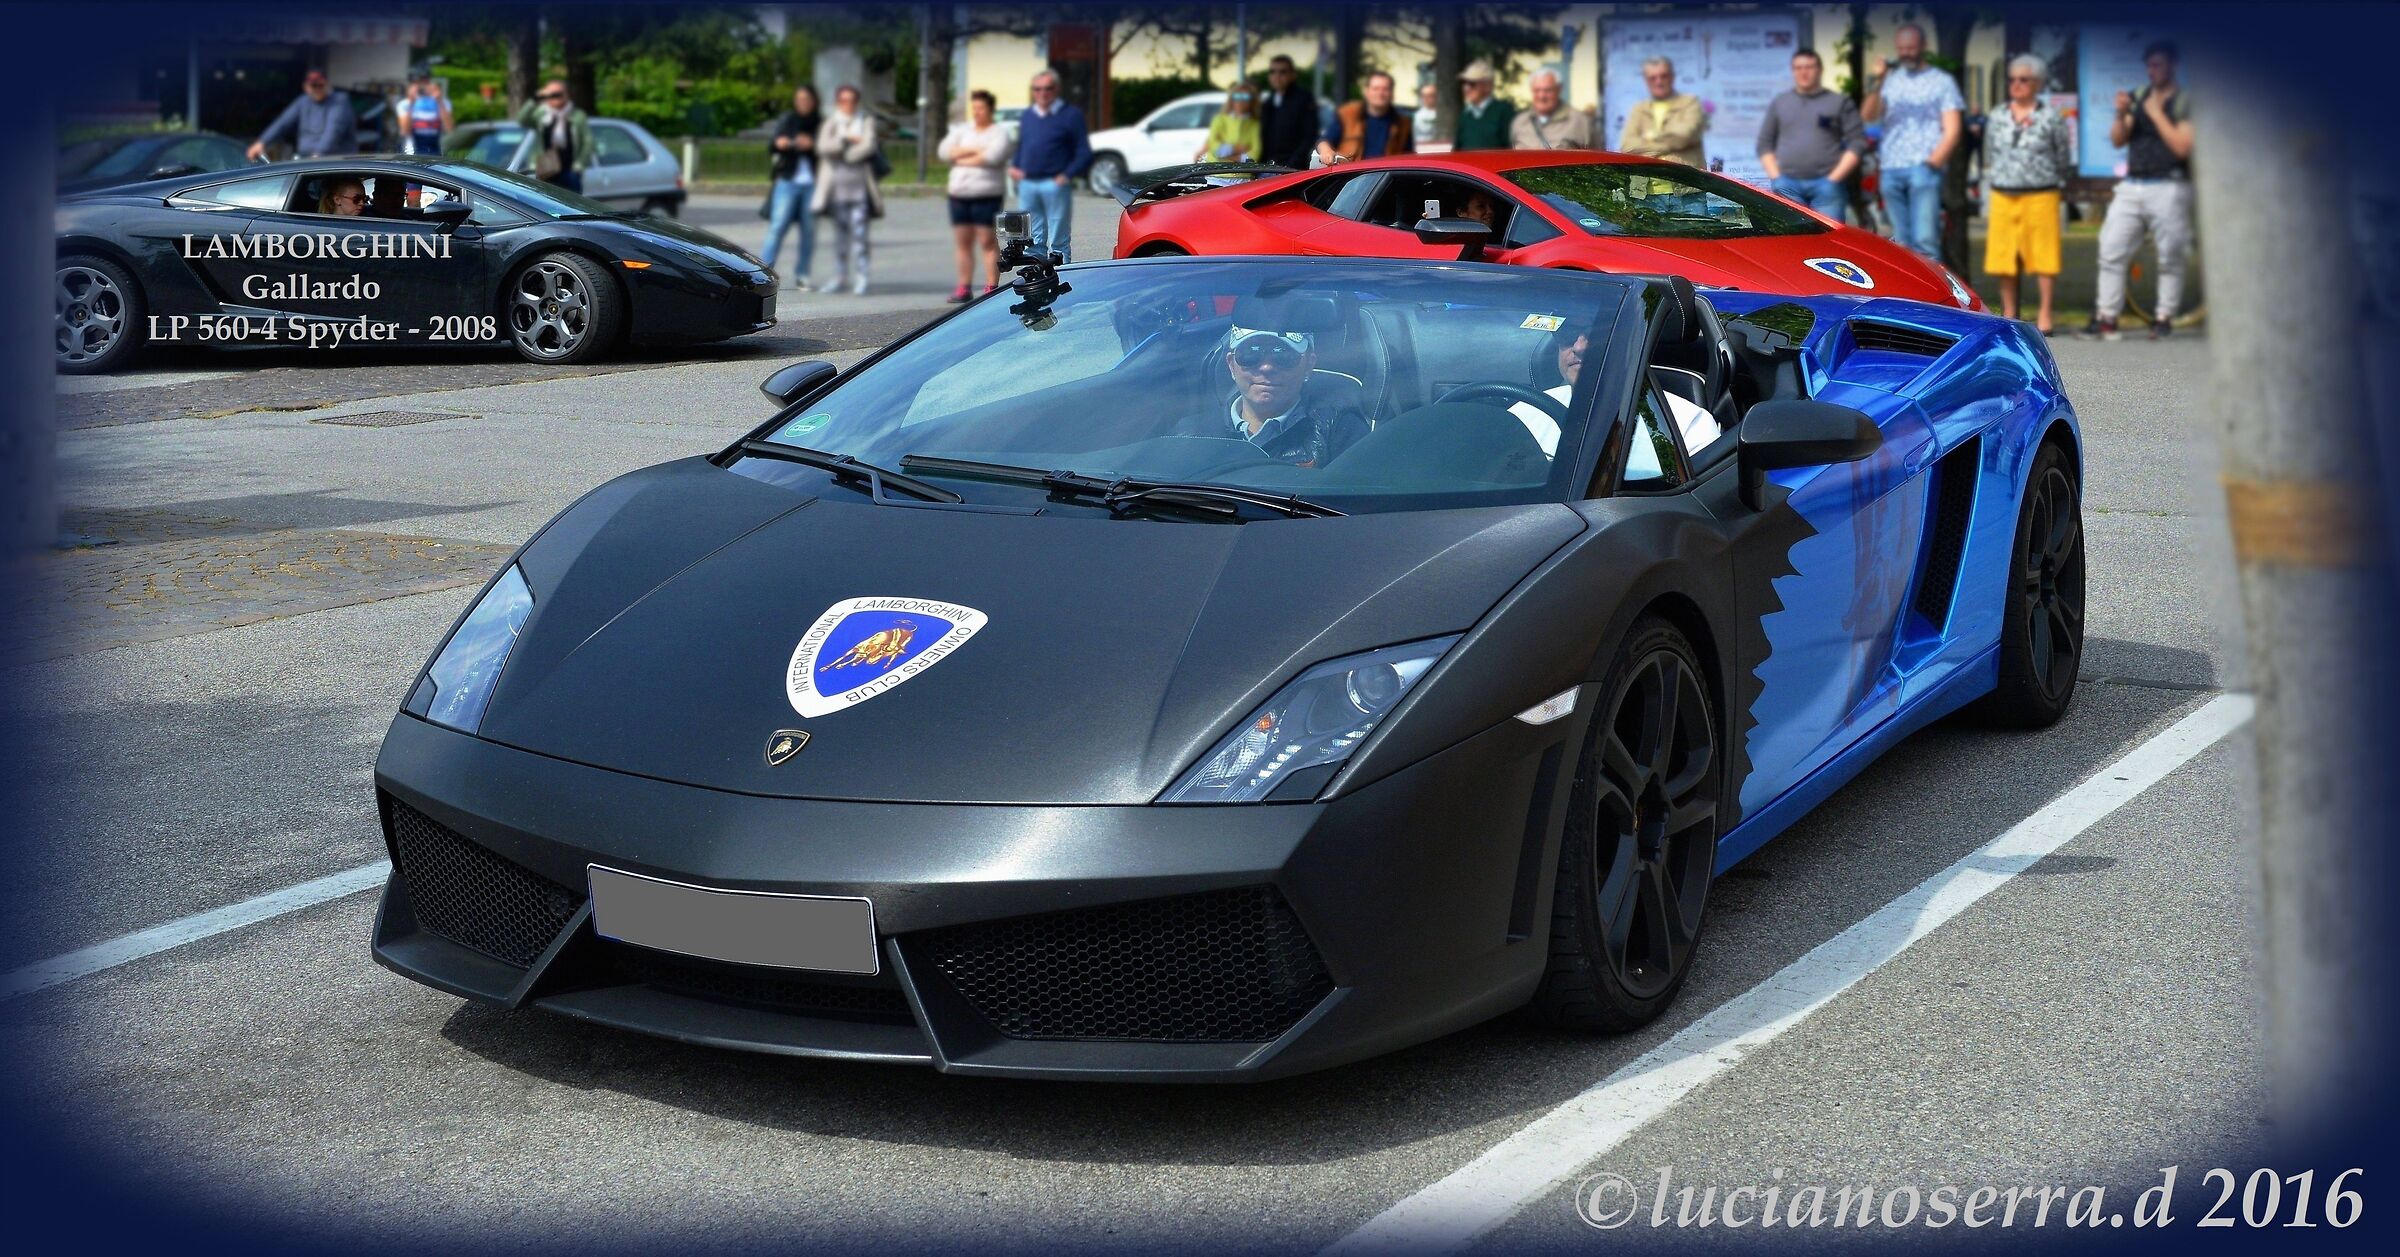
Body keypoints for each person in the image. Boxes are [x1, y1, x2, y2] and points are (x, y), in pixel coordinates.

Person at [2085, 41, 2195, 342]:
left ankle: (2163, 317)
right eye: (2149, 66)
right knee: (2110, 248)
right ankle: (2106, 317)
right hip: (2134, 184)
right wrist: (2121, 115)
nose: (2152, 71)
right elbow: (2119, 139)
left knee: (2170, 255)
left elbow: (2183, 147)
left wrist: (2157, 114)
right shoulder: (2140, 96)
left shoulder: (2183, 101)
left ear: (2173, 65)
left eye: (2158, 65)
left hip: (2169, 184)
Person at [1511, 327, 1719, 460]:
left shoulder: (1687, 426)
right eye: (1567, 333)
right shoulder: (1523, 413)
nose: (1579, 346)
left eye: (1596, 333)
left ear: (1629, 345)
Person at [1199, 314, 1369, 468]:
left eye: (1283, 355)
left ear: (1309, 365)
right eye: (1251, 354)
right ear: (1231, 365)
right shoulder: (1193, 435)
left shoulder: (1339, 431)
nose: (1266, 367)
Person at [1981, 55, 2073, 334]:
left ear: (2038, 83)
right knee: (2003, 256)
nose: (2016, 85)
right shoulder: (1997, 116)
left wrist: (2049, 179)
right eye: (2012, 79)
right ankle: (2010, 313)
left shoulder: (2051, 118)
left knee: (2045, 256)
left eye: (2024, 80)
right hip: (2003, 194)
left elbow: (2063, 157)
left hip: (2041, 194)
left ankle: (2045, 314)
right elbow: (1989, 153)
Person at [1859, 24, 1963, 260]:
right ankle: (1911, 294)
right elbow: (1868, 116)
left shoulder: (1941, 82)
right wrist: (1878, 79)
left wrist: (1932, 164)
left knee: (1925, 240)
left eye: (1911, 47)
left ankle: (1934, 296)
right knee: (1901, 242)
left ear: (1923, 47)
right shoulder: (1891, 81)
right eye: (1902, 48)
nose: (1906, 53)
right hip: (1891, 168)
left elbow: (1953, 128)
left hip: (1923, 168)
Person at [1756, 47, 1864, 223]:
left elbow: (1857, 143)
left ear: (1819, 69)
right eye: (1798, 68)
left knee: (1831, 241)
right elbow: (1764, 143)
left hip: (1827, 187)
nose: (1803, 72)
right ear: (1793, 71)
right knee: (1795, 243)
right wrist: (1777, 177)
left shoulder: (1839, 102)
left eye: (1809, 67)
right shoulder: (1780, 103)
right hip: (1788, 187)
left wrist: (1834, 178)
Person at [939, 89, 1014, 302]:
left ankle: (991, 286)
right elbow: (945, 151)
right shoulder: (963, 131)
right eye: (975, 108)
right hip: (959, 194)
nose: (977, 112)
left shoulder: (999, 133)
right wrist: (975, 151)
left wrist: (962, 155)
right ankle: (964, 287)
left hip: (986, 195)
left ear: (990, 109)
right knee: (963, 242)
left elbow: (992, 157)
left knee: (987, 241)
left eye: (981, 108)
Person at [1010, 70, 1092, 262]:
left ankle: (1061, 282)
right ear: (1033, 92)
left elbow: (1083, 152)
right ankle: (1036, 282)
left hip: (1055, 184)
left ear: (1056, 90)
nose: (1043, 93)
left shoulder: (1071, 115)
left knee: (1058, 243)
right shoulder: (1028, 115)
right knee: (1031, 242)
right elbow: (1023, 144)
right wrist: (1015, 166)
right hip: (1028, 184)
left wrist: (1067, 175)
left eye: (1048, 88)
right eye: (1038, 89)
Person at [813, 84, 882, 296]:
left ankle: (862, 277)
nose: (848, 104)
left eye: (851, 100)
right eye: (843, 100)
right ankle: (840, 276)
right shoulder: (832, 123)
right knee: (840, 237)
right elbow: (823, 147)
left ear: (857, 102)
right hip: (836, 190)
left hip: (859, 189)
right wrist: (845, 141)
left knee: (860, 236)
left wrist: (845, 154)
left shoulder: (866, 121)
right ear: (838, 102)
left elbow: (868, 146)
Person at [762, 87, 823, 291]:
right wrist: (781, 143)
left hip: (813, 183)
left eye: (806, 99)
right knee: (778, 226)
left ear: (814, 101)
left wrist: (813, 145)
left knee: (809, 230)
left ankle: (803, 274)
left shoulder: (821, 122)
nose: (802, 102)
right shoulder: (788, 120)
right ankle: (764, 272)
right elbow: (773, 144)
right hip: (788, 180)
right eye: (799, 99)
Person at [1617, 56, 1706, 167]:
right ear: (1646, 81)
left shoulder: (1690, 103)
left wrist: (1649, 138)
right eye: (1652, 78)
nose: (1658, 82)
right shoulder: (1639, 109)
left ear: (1672, 77)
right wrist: (1665, 141)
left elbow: (1683, 137)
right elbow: (1627, 146)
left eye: (1663, 76)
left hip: (1682, 180)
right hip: (1644, 182)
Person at [248, 69, 355, 161]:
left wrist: (319, 153)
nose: (317, 89)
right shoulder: (303, 102)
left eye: (320, 85)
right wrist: (262, 142)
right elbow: (283, 122)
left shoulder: (339, 101)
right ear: (306, 87)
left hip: (335, 162)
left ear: (327, 84)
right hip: (307, 159)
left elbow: (333, 131)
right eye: (314, 85)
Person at [1316, 71, 1413, 166]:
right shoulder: (1348, 114)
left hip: (1385, 179)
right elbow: (1324, 141)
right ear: (1366, 92)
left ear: (1392, 93)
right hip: (1352, 177)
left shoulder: (1403, 124)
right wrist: (1326, 151)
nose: (1380, 93)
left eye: (1385, 89)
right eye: (1375, 89)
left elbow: (1410, 158)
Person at [516, 81, 594, 192]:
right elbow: (522, 119)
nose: (555, 97)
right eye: (551, 94)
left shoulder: (577, 116)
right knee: (543, 206)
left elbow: (588, 142)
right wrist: (535, 99)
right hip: (545, 170)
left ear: (566, 95)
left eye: (558, 94)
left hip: (569, 171)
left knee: (572, 205)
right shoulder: (541, 114)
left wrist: (579, 164)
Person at [1257, 55, 1320, 169]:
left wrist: (1292, 164)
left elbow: (1310, 135)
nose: (1277, 76)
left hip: (1292, 170)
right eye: (1273, 72)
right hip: (1266, 168)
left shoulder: (1304, 99)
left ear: (1292, 75)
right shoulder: (1268, 102)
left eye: (1283, 72)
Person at [1510, 69, 1594, 151]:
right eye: (1537, 90)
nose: (1542, 96)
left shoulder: (1580, 121)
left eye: (1548, 90)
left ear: (1559, 89)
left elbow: (1597, 160)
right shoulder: (1520, 122)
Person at [1452, 61, 1516, 152]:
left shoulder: (1504, 111)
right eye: (1464, 83)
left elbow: (1511, 149)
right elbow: (1457, 150)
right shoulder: (1466, 115)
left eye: (1472, 83)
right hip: (1468, 165)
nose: (1466, 88)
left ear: (1487, 86)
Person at [1198, 83, 1261, 163]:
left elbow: (1255, 155)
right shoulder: (1219, 119)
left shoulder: (1255, 125)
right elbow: (1213, 146)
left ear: (1252, 101)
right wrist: (1236, 149)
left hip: (1243, 173)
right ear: (1231, 99)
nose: (1240, 101)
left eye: (1245, 97)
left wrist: (1226, 153)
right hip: (1216, 171)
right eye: (1237, 97)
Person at [400, 68, 451, 157]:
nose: (422, 86)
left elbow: (449, 128)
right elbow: (405, 131)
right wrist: (411, 102)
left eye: (425, 82)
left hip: (436, 153)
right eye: (418, 83)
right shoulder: (405, 104)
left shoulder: (443, 103)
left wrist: (439, 101)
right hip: (412, 154)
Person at [1413, 84, 1443, 150]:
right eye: (1423, 95)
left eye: (1430, 95)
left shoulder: (1443, 115)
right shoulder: (1416, 116)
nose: (1426, 98)